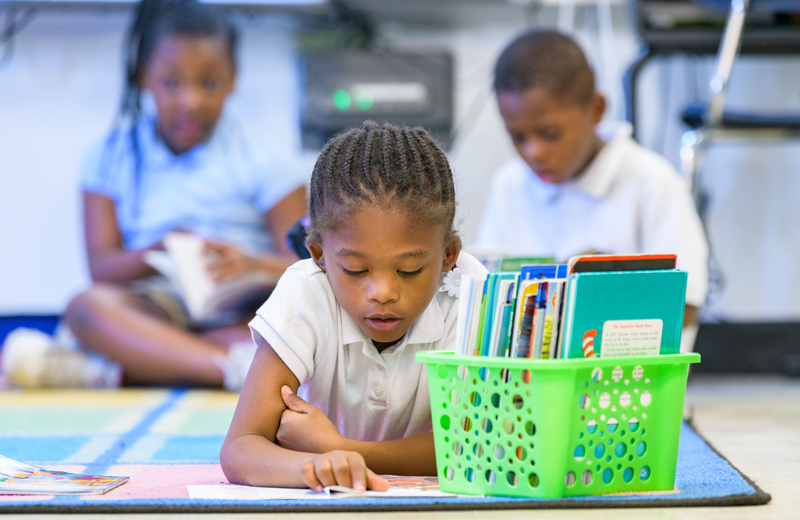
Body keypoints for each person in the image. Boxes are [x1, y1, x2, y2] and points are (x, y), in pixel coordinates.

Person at [1, 0, 306, 390]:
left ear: (233, 79)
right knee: (86, 309)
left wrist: (251, 265)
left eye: (209, 84)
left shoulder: (265, 157)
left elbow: (306, 267)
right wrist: (159, 249)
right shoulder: (111, 156)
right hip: (157, 308)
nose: (190, 101)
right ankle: (230, 370)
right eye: (172, 83)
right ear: (144, 77)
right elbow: (101, 268)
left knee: (294, 331)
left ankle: (117, 368)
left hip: (242, 312)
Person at [220, 121, 488, 492]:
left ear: (449, 256)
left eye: (409, 270)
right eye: (355, 270)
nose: (382, 292)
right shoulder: (306, 293)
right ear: (319, 256)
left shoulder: (471, 293)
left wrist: (344, 450)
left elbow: (481, 444)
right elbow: (240, 448)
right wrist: (316, 467)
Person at [474, 30, 708, 340]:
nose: (534, 152)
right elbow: (486, 294)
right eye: (518, 137)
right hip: (531, 382)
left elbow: (686, 306)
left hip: (630, 378)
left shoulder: (652, 181)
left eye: (550, 134)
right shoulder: (509, 184)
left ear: (596, 109)